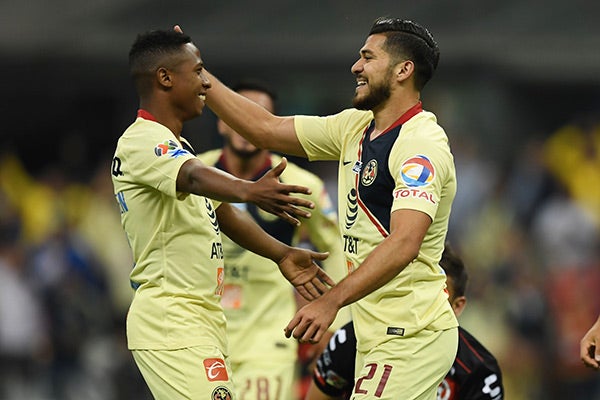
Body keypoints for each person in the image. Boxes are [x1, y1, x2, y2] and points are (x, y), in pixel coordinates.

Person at [183, 15, 458, 399]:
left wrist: (330, 301)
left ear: (403, 70)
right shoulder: (354, 127)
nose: (356, 67)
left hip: (410, 333)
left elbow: (405, 242)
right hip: (373, 330)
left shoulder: (420, 145)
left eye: (368, 57)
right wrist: (196, 72)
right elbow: (264, 128)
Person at [111, 29, 335, 400]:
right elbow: (193, 176)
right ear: (165, 78)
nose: (205, 83)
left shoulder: (176, 145)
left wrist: (281, 253)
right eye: (198, 71)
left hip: (203, 319)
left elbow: (225, 215)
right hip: (173, 320)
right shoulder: (141, 141)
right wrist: (251, 189)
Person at [197, 80, 348, 400]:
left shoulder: (301, 184)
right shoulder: (195, 172)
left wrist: (333, 316)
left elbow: (332, 250)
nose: (245, 125)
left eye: (258, 116)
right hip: (200, 335)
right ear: (222, 122)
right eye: (238, 115)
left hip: (268, 341)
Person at [305, 244, 504, 400]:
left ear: (457, 306)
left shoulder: (480, 371)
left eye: (438, 295)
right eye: (418, 292)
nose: (423, 304)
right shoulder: (353, 338)